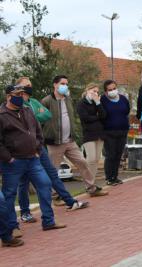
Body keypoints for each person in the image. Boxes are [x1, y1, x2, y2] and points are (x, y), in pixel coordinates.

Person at [17, 77, 88, 224]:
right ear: (18, 88)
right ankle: (25, 213)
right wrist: (35, 114)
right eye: (25, 86)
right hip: (22, 150)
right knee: (23, 182)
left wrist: (33, 114)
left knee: (52, 175)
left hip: (38, 146)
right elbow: (24, 121)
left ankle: (70, 202)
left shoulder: (34, 102)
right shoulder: (17, 104)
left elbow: (47, 115)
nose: (29, 87)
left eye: (30, 85)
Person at [0, 85, 66, 237]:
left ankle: (48, 221)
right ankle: (12, 227)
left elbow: (37, 131)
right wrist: (8, 158)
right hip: (13, 162)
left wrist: (37, 149)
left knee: (45, 184)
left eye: (23, 94)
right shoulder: (2, 115)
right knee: (9, 194)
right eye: (18, 94)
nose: (22, 97)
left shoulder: (28, 110)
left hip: (32, 159)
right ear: (9, 96)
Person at [42, 75, 108, 197]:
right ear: (55, 85)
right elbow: (40, 120)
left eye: (66, 84)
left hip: (69, 140)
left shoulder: (68, 99)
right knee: (53, 170)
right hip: (55, 142)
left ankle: (91, 188)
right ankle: (55, 195)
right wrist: (45, 136)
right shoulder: (46, 101)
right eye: (62, 84)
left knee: (82, 162)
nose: (65, 86)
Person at [101, 80, 130, 185]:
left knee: (118, 155)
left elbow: (127, 110)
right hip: (109, 132)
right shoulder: (103, 99)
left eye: (114, 88)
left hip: (122, 130)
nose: (113, 91)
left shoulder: (123, 99)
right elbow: (101, 114)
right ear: (106, 91)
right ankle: (109, 178)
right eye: (110, 90)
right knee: (110, 155)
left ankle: (115, 176)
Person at [77, 83, 107, 182]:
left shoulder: (97, 103)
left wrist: (98, 103)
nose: (95, 93)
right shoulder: (82, 103)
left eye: (97, 92)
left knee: (96, 160)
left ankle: (92, 182)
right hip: (89, 135)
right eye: (93, 91)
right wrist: (97, 117)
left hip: (100, 134)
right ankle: (88, 182)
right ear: (87, 90)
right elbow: (85, 118)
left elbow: (103, 116)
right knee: (91, 159)